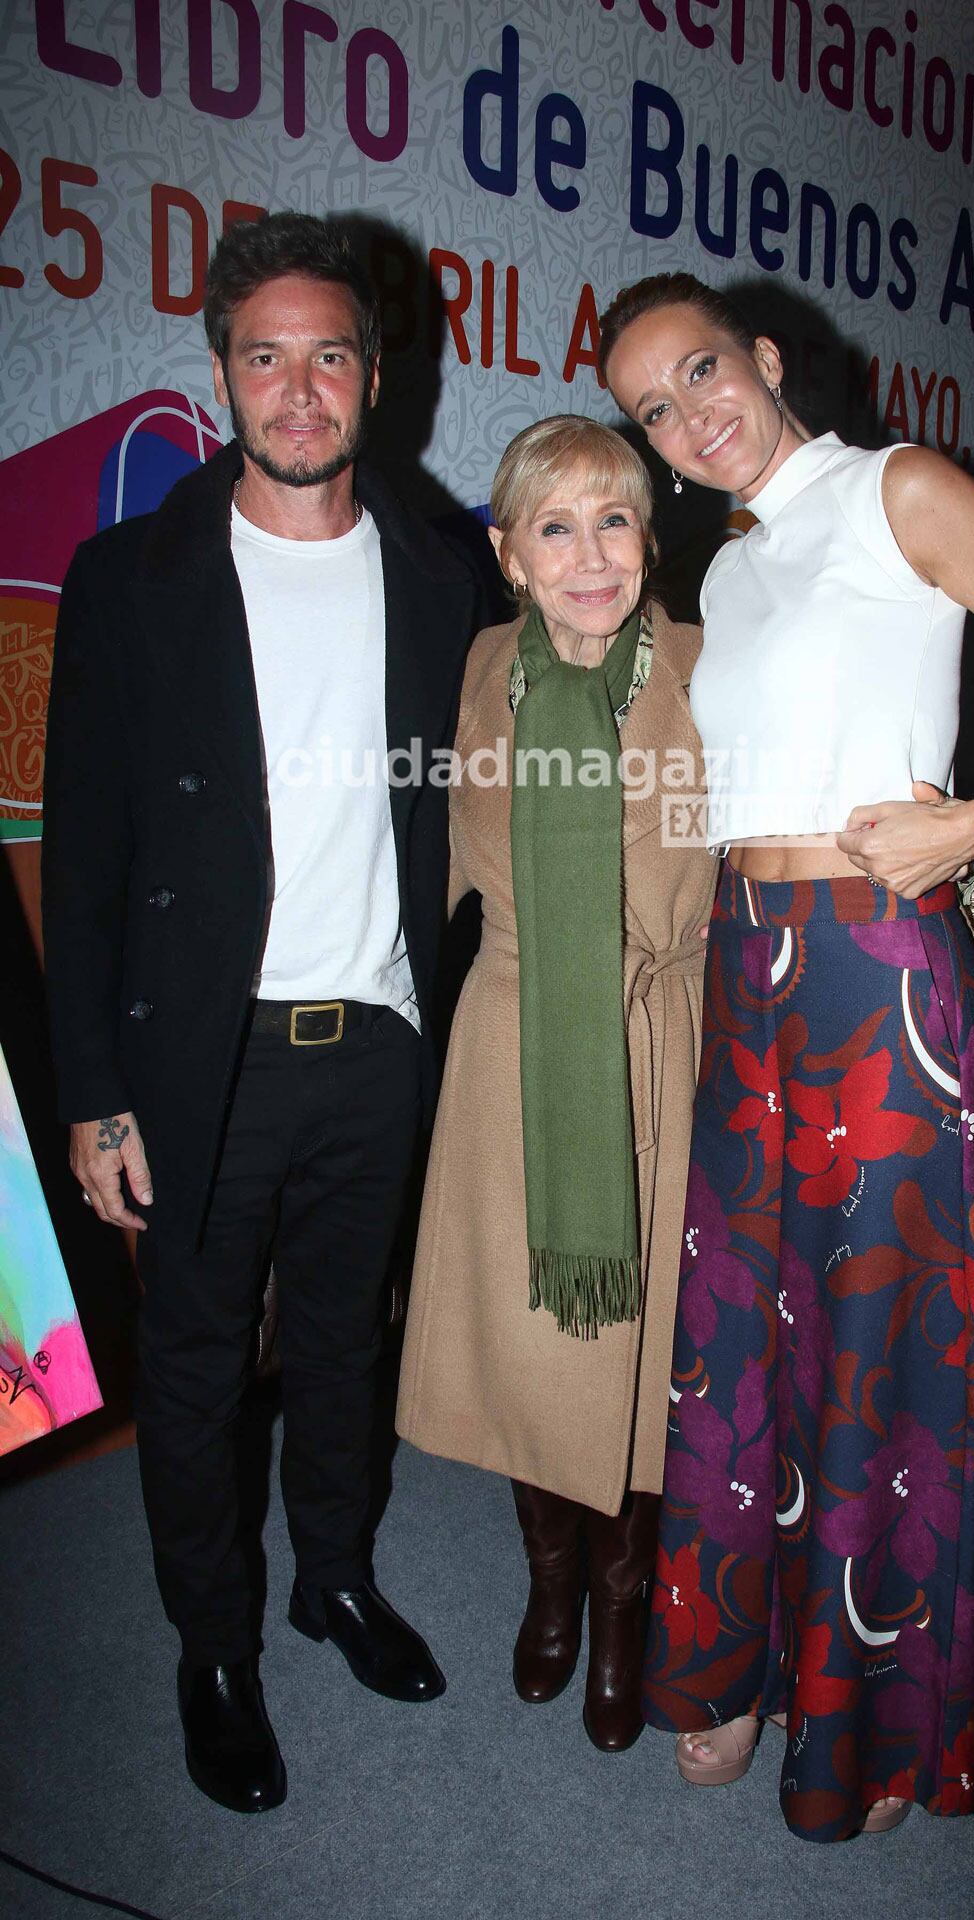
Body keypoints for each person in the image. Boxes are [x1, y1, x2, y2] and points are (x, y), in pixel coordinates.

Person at [600, 273, 974, 1840]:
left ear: (766, 360)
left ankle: (872, 1727)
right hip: (749, 967)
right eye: (654, 406)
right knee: (740, 1337)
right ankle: (727, 1667)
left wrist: (973, 824)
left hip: (877, 974)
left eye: (702, 369)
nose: (690, 413)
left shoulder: (899, 490)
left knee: (880, 1350)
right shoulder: (737, 567)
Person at [41, 212, 483, 1814]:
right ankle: (213, 1646)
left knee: (349, 1352)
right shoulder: (131, 577)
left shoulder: (446, 572)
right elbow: (84, 851)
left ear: (378, 375)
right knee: (201, 1363)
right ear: (222, 372)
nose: (299, 389)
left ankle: (335, 1577)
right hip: (198, 1058)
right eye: (265, 357)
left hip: (379, 1045)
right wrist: (93, 1095)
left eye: (329, 356)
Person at [396, 415, 718, 1751]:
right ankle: (548, 1588)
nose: (591, 554)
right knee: (536, 1349)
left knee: (639, 1363)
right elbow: (398, 839)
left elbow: (815, 794)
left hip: (660, 1041)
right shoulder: (470, 676)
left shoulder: (716, 666)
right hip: (512, 1046)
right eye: (555, 525)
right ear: (509, 554)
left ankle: (626, 1602)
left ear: (652, 538)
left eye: (617, 519)